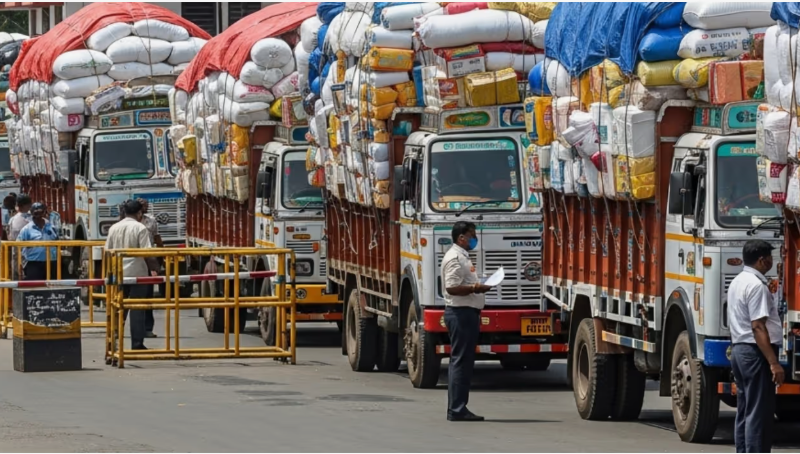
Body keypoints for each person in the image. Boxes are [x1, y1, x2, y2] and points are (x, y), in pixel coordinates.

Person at [727, 239, 784, 453]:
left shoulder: (738, 281)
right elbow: (758, 327)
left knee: (746, 410)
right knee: (759, 413)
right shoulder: (756, 286)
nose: (771, 261)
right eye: (770, 257)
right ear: (762, 260)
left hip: (740, 351)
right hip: (755, 352)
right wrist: (773, 363)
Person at [441, 221, 492, 422]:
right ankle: (457, 408)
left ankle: (458, 407)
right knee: (461, 361)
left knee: (463, 361)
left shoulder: (462, 256)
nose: (474, 239)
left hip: (466, 313)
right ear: (461, 237)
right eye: (472, 235)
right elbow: (451, 288)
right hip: (460, 313)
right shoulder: (455, 258)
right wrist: (475, 289)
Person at [105, 199, 159, 350]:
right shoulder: (140, 227)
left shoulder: (114, 228)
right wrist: (155, 269)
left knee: (117, 308)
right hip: (137, 274)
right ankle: (137, 344)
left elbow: (107, 251)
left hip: (117, 274)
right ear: (139, 212)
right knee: (137, 309)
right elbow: (147, 253)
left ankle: (113, 341)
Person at [137, 198, 163, 339]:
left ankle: (147, 329)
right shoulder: (127, 224)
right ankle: (117, 329)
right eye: (143, 206)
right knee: (123, 300)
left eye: (146, 205)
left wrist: (161, 256)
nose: (146, 207)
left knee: (147, 298)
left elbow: (157, 239)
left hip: (147, 262)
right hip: (130, 264)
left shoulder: (151, 221)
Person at [17, 203, 59, 281]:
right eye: (36, 213)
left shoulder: (52, 227)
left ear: (44, 213)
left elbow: (57, 242)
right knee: (34, 288)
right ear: (32, 214)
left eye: (41, 213)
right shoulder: (26, 229)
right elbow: (18, 246)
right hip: (34, 264)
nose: (39, 216)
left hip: (51, 262)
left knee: (53, 287)